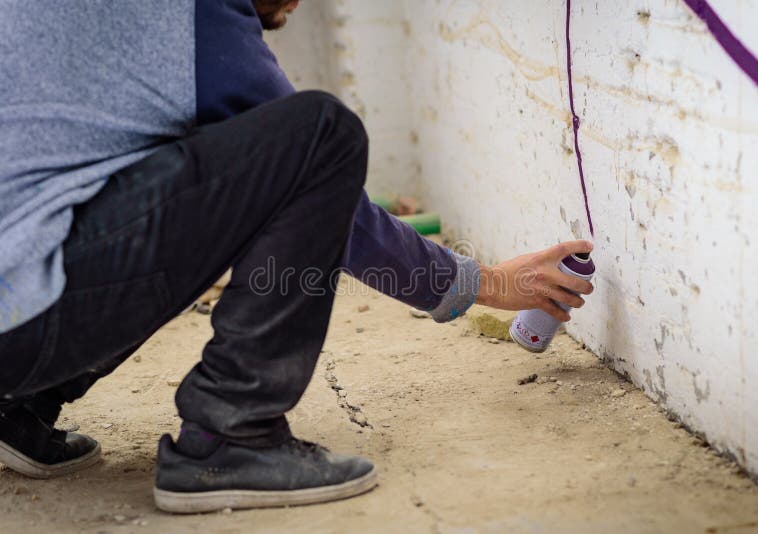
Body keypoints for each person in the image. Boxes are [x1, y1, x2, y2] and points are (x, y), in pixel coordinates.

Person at [0, 0, 593, 513]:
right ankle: (232, 435)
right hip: (21, 319)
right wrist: (483, 283)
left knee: (191, 159)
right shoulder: (191, 12)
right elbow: (326, 191)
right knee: (321, 135)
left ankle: (17, 406)